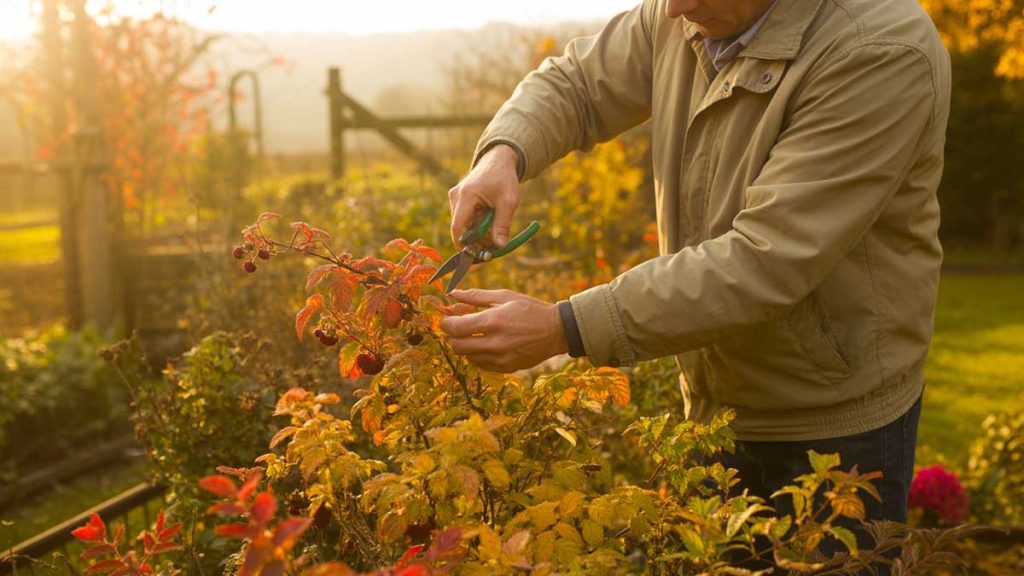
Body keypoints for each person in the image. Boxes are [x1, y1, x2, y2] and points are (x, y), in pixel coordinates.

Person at [438, 0, 951, 554]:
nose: (674, 8)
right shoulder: (684, 12)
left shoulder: (877, 50)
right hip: (712, 408)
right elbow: (579, 84)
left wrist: (565, 326)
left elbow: (767, 260)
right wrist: (503, 152)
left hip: (835, 430)